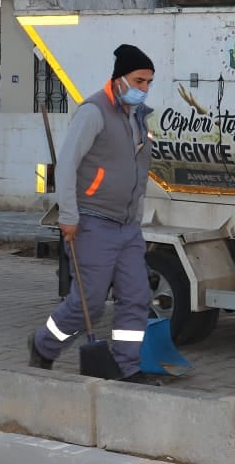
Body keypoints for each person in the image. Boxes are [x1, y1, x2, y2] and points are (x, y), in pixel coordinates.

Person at [27, 43, 159, 384]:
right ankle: (43, 344)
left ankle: (126, 368)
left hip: (127, 226)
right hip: (93, 222)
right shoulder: (94, 112)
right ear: (119, 79)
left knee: (136, 297)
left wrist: (138, 218)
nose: (144, 88)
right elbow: (68, 165)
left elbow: (137, 175)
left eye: (148, 82)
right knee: (90, 302)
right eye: (139, 80)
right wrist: (68, 216)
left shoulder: (139, 118)